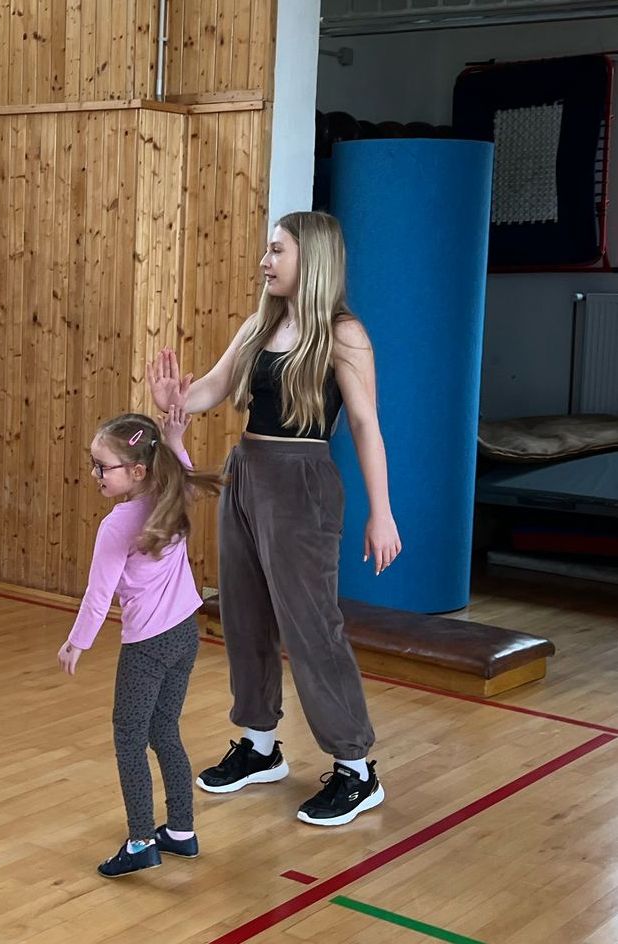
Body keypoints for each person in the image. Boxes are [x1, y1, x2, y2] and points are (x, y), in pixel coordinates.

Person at [148, 210, 401, 827]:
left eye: (277, 250)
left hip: (302, 483)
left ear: (311, 258)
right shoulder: (260, 324)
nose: (265, 262)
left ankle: (355, 768)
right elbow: (211, 388)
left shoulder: (343, 334)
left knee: (312, 626)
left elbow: (365, 424)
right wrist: (174, 400)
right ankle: (260, 745)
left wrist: (382, 513)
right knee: (244, 616)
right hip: (246, 473)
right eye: (267, 251)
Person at [57, 409, 221, 877]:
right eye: (93, 463)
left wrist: (77, 642)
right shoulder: (172, 496)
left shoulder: (118, 524)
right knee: (164, 730)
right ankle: (182, 831)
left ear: (136, 471)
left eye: (102, 466)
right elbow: (182, 469)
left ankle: (141, 841)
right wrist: (176, 436)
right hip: (184, 635)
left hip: (147, 646)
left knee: (129, 737)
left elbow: (99, 593)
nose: (95, 474)